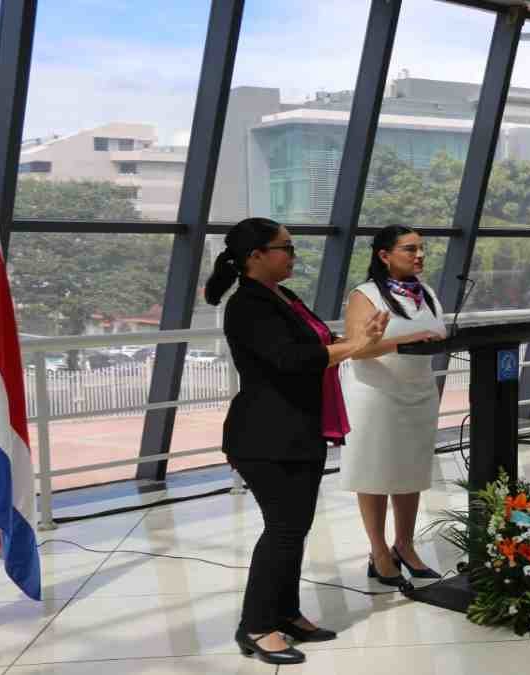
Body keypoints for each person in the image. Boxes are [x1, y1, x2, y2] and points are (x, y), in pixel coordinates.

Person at [206, 217, 387, 666]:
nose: (293, 255)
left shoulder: (281, 296)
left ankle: (284, 614)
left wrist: (363, 342)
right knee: (283, 530)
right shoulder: (247, 304)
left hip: (298, 431)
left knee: (294, 530)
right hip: (266, 437)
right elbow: (295, 360)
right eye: (285, 247)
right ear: (255, 256)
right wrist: (355, 344)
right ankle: (256, 626)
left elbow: (323, 344)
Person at [340, 225, 447, 590]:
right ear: (384, 255)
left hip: (418, 390)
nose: (419, 255)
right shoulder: (365, 295)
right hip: (376, 393)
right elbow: (358, 347)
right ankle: (379, 551)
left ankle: (405, 545)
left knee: (411, 470)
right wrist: (405, 340)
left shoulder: (427, 293)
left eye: (421, 248)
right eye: (409, 249)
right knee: (375, 471)